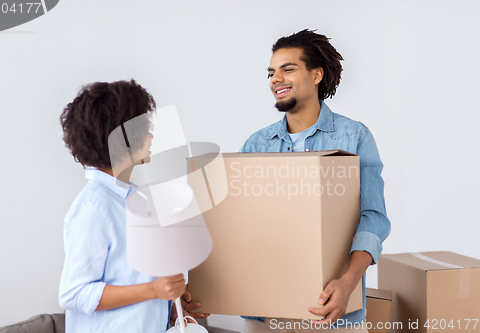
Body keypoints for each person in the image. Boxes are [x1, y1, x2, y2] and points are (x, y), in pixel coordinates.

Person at [239, 30, 391, 332]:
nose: (275, 79)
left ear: (317, 74)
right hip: (265, 313)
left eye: (288, 69)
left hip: (333, 310)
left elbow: (373, 218)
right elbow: (241, 226)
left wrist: (348, 283)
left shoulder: (353, 137)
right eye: (271, 72)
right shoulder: (256, 145)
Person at [58, 80, 207, 333]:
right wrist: (153, 290)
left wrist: (170, 306)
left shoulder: (136, 200)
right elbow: (74, 294)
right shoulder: (94, 206)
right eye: (143, 128)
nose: (150, 136)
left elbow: (134, 280)